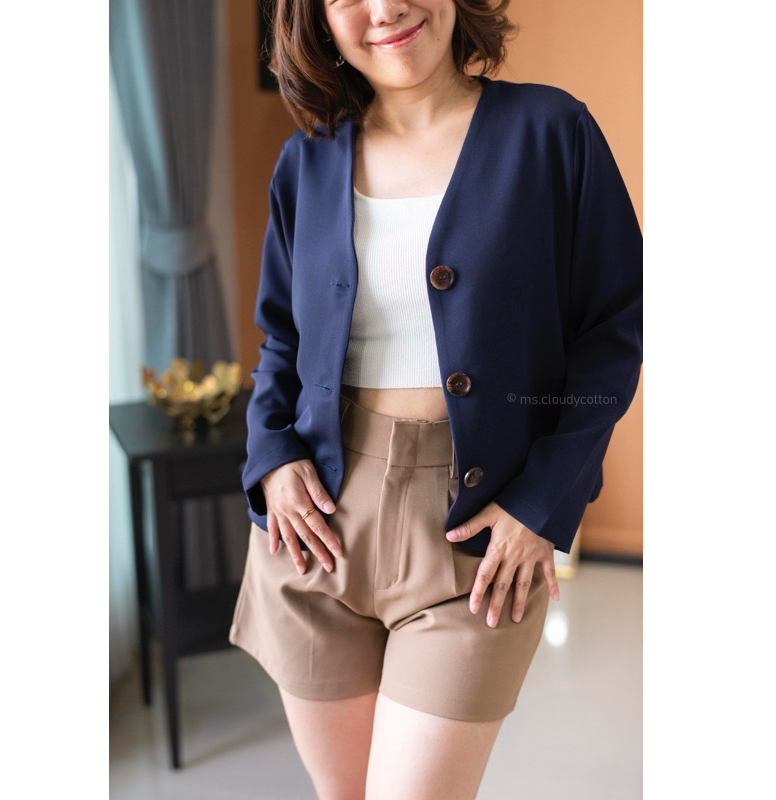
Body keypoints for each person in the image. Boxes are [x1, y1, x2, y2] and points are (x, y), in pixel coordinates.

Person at [229, 1, 643, 797]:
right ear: (318, 20)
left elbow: (614, 330)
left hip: (475, 534)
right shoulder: (306, 160)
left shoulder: (552, 131)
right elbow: (281, 339)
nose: (385, 9)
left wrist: (542, 503)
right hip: (316, 528)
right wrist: (273, 458)